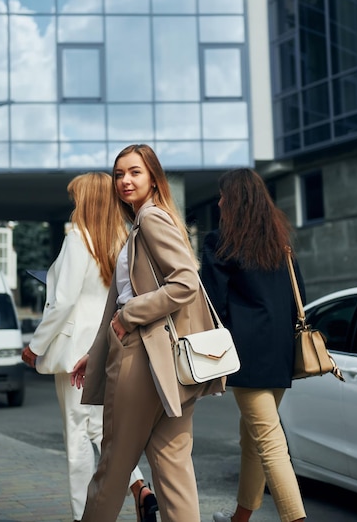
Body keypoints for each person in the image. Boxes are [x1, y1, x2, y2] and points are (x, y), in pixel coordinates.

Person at [71, 144, 226, 522]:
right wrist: (98, 350)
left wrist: (129, 317)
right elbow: (126, 294)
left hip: (141, 358)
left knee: (113, 466)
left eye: (135, 172)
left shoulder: (152, 220)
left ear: (153, 177)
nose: (125, 180)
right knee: (174, 472)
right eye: (119, 173)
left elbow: (185, 283)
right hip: (166, 365)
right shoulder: (144, 224)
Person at [21, 172, 156, 522]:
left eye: (77, 197)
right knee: (100, 428)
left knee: (77, 439)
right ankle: (140, 487)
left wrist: (35, 347)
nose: (74, 204)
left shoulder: (79, 239)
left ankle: (84, 515)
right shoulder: (122, 240)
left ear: (88, 200)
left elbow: (62, 302)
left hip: (74, 356)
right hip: (109, 346)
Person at [201, 168, 307, 522]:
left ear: (235, 200)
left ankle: (297, 519)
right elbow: (300, 296)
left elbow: (211, 302)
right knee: (253, 437)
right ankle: (241, 517)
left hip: (244, 356)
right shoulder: (280, 243)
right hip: (280, 355)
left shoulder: (220, 242)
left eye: (222, 196)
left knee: (270, 443)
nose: (218, 202)